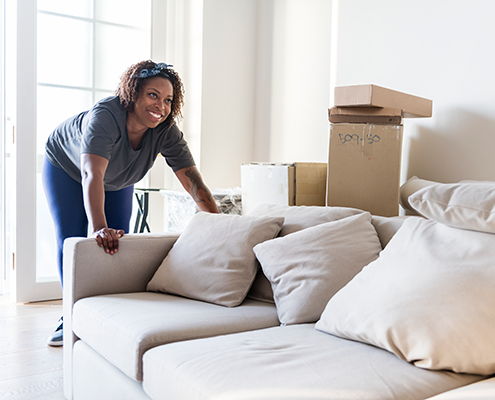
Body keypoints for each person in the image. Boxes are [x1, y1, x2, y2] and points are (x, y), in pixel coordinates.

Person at [42, 60, 219, 347]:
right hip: (68, 168)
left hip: (118, 177)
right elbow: (91, 173)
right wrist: (99, 227)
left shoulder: (165, 131)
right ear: (133, 93)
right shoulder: (105, 117)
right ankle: (69, 314)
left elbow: (192, 180)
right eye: (152, 95)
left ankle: (108, 312)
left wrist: (219, 222)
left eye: (168, 100)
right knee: (73, 240)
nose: (160, 106)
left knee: (116, 245)